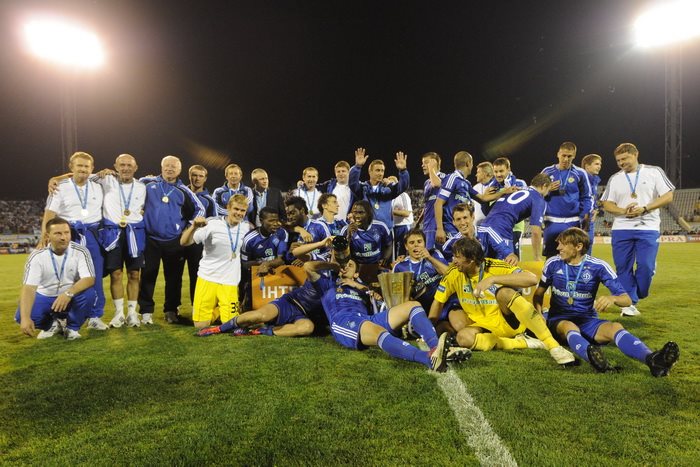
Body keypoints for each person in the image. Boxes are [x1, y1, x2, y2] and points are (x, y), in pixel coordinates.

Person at [533, 227, 679, 376]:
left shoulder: (598, 266)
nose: (558, 248)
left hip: (587, 320)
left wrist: (612, 298)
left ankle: (652, 360)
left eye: (563, 244)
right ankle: (594, 359)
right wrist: (539, 318)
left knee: (615, 327)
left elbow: (627, 300)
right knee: (569, 326)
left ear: (578, 246)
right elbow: (538, 295)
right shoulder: (552, 263)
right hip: (559, 320)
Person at [429, 237, 576, 366]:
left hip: (508, 321)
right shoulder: (453, 273)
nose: (453, 261)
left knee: (504, 293)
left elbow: (531, 279)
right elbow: (438, 301)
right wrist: (428, 331)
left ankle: (553, 345)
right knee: (463, 338)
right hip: (483, 325)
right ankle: (522, 342)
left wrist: (492, 279)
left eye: (457, 257)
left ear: (471, 259)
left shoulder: (494, 266)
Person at [309, 258, 454, 372]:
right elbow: (307, 267)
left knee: (413, 306)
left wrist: (359, 286)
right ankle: (428, 359)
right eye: (343, 265)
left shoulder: (362, 289)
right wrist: (332, 265)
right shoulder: (327, 285)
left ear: (356, 274)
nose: (345, 267)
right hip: (345, 321)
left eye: (350, 265)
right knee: (378, 331)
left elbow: (378, 303)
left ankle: (436, 348)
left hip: (367, 318)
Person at [600, 143, 675, 317]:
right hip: (621, 228)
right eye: (618, 160)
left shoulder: (654, 172)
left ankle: (638, 291)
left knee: (646, 267)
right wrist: (623, 211)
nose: (621, 163)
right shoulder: (615, 178)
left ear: (635, 155)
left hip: (648, 227)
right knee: (622, 268)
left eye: (624, 159)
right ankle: (630, 304)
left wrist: (645, 208)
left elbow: (668, 196)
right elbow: (607, 203)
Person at [196, 246, 332, 338]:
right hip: (291, 302)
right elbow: (294, 254)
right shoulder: (321, 259)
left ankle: (258, 331)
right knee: (259, 316)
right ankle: (218, 329)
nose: (339, 254)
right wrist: (321, 244)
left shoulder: (344, 274)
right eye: (336, 250)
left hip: (307, 316)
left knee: (306, 328)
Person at [43, 151, 107, 331]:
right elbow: (50, 213)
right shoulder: (60, 187)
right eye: (79, 165)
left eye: (87, 166)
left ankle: (94, 316)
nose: (83, 169)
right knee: (64, 276)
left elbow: (121, 177)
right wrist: (45, 236)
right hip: (68, 235)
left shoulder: (98, 182)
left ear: (92, 169)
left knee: (94, 276)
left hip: (92, 235)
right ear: (71, 167)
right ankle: (59, 318)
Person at [139, 155, 205, 324]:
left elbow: (200, 209)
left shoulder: (184, 190)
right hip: (150, 239)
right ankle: (146, 312)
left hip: (174, 240)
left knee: (174, 278)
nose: (170, 168)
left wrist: (189, 227)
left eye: (173, 166)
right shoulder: (146, 182)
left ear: (179, 170)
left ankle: (171, 310)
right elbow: (128, 188)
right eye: (167, 165)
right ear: (161, 167)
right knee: (148, 274)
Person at [16, 217, 97, 340]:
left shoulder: (80, 251)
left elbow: (89, 278)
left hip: (71, 296)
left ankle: (72, 328)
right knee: (22, 316)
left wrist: (68, 293)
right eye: (58, 233)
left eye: (66, 232)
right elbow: (29, 288)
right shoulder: (37, 256)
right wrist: (26, 318)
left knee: (89, 294)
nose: (64, 237)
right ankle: (52, 325)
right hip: (46, 296)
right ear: (47, 236)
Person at [180, 194, 251, 328]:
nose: (239, 213)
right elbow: (184, 242)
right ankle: (217, 311)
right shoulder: (212, 224)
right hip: (208, 277)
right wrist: (194, 226)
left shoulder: (246, 228)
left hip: (230, 281)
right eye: (236, 209)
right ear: (228, 208)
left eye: (242, 211)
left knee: (230, 325)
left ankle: (223, 310)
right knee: (201, 325)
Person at [93, 154, 147, 328]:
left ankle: (132, 313)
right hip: (112, 233)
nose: (125, 168)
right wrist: (56, 179)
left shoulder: (142, 186)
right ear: (115, 166)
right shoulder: (106, 179)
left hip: (134, 233)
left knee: (134, 274)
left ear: (136, 168)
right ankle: (118, 314)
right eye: (122, 165)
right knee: (116, 274)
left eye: (129, 165)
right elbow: (80, 175)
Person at [477, 173, 551, 265]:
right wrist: (537, 257)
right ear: (544, 186)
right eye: (548, 190)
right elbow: (536, 231)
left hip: (484, 227)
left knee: (484, 267)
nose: (548, 193)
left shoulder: (516, 189)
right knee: (506, 268)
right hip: (501, 230)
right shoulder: (537, 199)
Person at [435, 151, 504, 247]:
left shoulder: (466, 183)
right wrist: (440, 228)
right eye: (472, 163)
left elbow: (482, 198)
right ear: (468, 163)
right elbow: (438, 203)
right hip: (450, 229)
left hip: (460, 230)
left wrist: (504, 192)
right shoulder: (452, 178)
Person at [540, 142, 592, 258]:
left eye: (569, 156)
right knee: (551, 257)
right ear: (558, 154)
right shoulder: (547, 171)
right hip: (551, 221)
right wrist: (548, 189)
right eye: (563, 155)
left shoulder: (580, 173)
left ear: (574, 156)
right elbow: (536, 194)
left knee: (572, 256)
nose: (566, 159)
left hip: (572, 221)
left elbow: (587, 197)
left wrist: (584, 214)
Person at [348, 147, 410, 230]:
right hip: (368, 231)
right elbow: (352, 183)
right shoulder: (363, 188)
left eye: (382, 171)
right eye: (377, 170)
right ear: (370, 171)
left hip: (386, 231)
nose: (380, 173)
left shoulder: (389, 188)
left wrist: (403, 171)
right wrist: (357, 167)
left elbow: (403, 186)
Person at [240, 207, 289, 308]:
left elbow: (281, 259)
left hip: (276, 277)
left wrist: (267, 264)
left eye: (277, 220)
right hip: (256, 278)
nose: (276, 224)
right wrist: (260, 264)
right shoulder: (249, 239)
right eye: (271, 221)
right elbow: (244, 264)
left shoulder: (282, 233)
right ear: (261, 220)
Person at [392, 229, 449, 312]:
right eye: (412, 243)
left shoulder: (434, 254)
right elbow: (396, 297)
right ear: (406, 246)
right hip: (419, 309)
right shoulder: (399, 267)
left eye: (419, 242)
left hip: (444, 304)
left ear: (424, 243)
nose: (416, 245)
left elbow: (449, 273)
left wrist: (429, 258)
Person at [184, 164, 217, 306]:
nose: (197, 179)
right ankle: (171, 309)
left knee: (196, 276)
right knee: (173, 276)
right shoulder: (181, 192)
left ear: (205, 178)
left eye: (200, 176)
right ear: (189, 176)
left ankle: (196, 307)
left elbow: (213, 222)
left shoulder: (209, 200)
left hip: (196, 244)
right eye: (194, 175)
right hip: (177, 240)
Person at [486, 157, 527, 259]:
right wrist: (486, 197)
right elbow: (487, 210)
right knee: (497, 259)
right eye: (496, 171)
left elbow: (525, 206)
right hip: (497, 228)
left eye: (501, 171)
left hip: (514, 228)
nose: (498, 174)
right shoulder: (491, 187)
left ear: (508, 169)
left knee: (513, 258)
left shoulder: (519, 183)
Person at [341, 200, 392, 267]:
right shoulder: (346, 230)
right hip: (356, 268)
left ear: (368, 213)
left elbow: (389, 245)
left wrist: (385, 259)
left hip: (377, 266)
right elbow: (342, 256)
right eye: (355, 212)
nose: (357, 216)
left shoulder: (380, 226)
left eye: (361, 212)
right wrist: (348, 237)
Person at [284, 196, 331, 262]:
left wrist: (309, 258)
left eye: (292, 213)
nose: (290, 217)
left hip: (316, 266)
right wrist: (290, 252)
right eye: (288, 214)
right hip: (296, 268)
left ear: (302, 210)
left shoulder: (319, 226)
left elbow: (330, 253)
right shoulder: (288, 231)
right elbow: (286, 259)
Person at [419, 152, 445, 249]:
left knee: (432, 254)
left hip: (436, 226)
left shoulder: (444, 177)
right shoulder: (427, 182)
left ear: (434, 163)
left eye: (426, 162)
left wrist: (431, 169)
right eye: (422, 163)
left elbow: (436, 184)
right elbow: (427, 205)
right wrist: (418, 223)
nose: (422, 165)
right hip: (426, 224)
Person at [580, 154, 602, 254]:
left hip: (590, 218)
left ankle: (586, 264)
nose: (599, 167)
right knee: (578, 245)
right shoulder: (580, 179)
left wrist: (596, 210)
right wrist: (583, 213)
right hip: (581, 218)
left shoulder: (595, 180)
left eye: (600, 164)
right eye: (596, 164)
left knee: (588, 244)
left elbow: (593, 198)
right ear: (587, 166)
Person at [389, 175, 414, 258]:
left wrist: (391, 211)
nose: (390, 186)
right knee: (394, 253)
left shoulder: (403, 195)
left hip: (403, 227)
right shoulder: (389, 197)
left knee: (403, 252)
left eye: (392, 184)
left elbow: (407, 213)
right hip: (393, 227)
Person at [472, 162, 494, 226]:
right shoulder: (475, 188)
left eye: (478, 172)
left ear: (485, 174)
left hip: (491, 224)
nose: (476, 175)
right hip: (477, 225)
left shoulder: (495, 187)